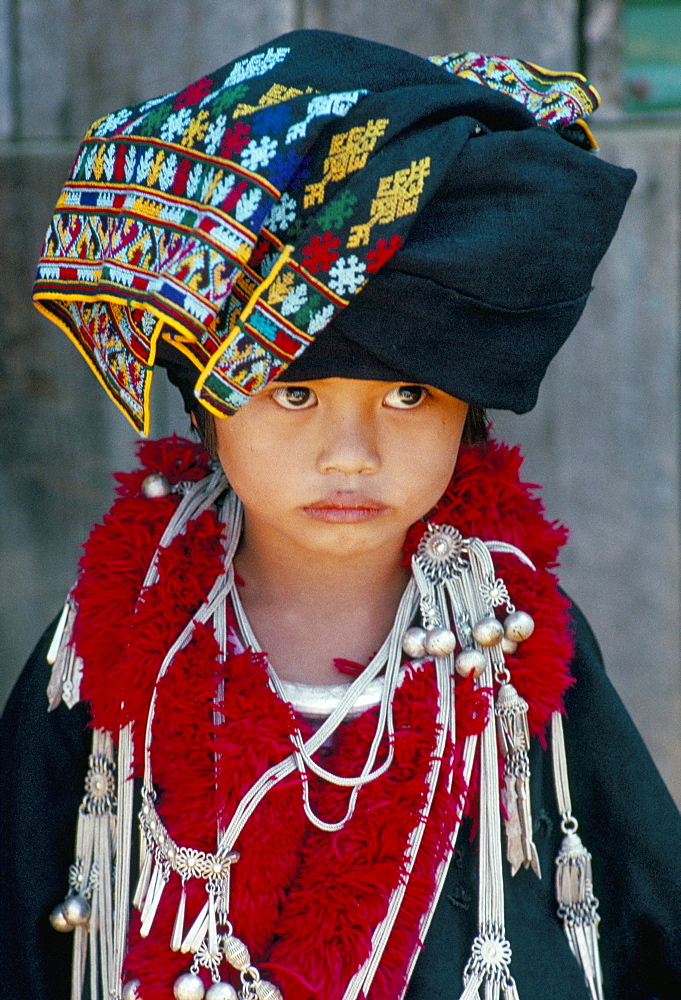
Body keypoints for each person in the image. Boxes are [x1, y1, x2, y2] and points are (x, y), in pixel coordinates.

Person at [1, 28, 680, 1000]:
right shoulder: (108, 645)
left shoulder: (516, 637)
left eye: (409, 397)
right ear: (205, 403)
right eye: (293, 393)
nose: (351, 453)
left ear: (468, 408)